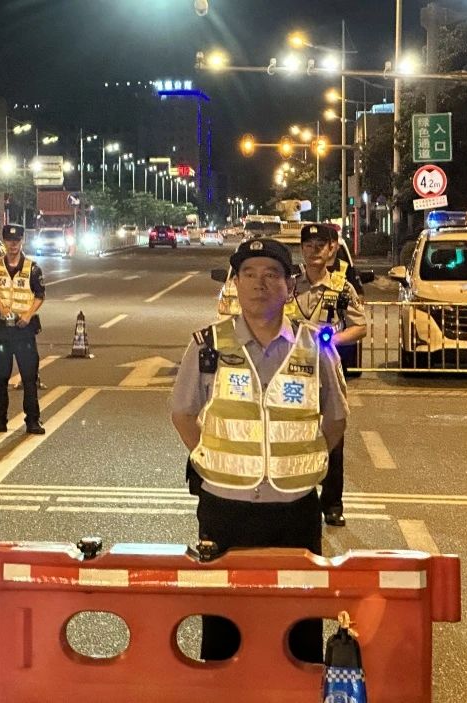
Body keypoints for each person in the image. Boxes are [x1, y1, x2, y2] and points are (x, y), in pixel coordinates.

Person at [170, 237, 348, 663]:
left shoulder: (315, 346)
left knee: (299, 629)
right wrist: (214, 459)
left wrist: (304, 460)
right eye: (247, 274)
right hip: (225, 509)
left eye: (271, 274)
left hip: (294, 510)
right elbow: (182, 414)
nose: (259, 284)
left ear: (290, 285)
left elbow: (336, 418)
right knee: (224, 628)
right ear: (234, 284)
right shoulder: (206, 345)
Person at [286, 223, 367, 528]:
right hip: (290, 373)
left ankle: (332, 503)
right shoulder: (288, 284)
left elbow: (360, 326)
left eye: (321, 245)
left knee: (333, 435)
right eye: (308, 245)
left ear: (333, 248)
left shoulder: (342, 288)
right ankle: (294, 496)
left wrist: (332, 340)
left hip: (327, 371)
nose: (314, 250)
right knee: (291, 434)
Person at [0, 224, 46, 435]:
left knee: (29, 377)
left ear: (22, 241)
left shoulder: (32, 268)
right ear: (4, 242)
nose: (13, 245)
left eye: (16, 241)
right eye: (9, 241)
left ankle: (33, 421)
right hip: (1, 331)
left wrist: (28, 314)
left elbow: (40, 295)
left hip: (24, 331)